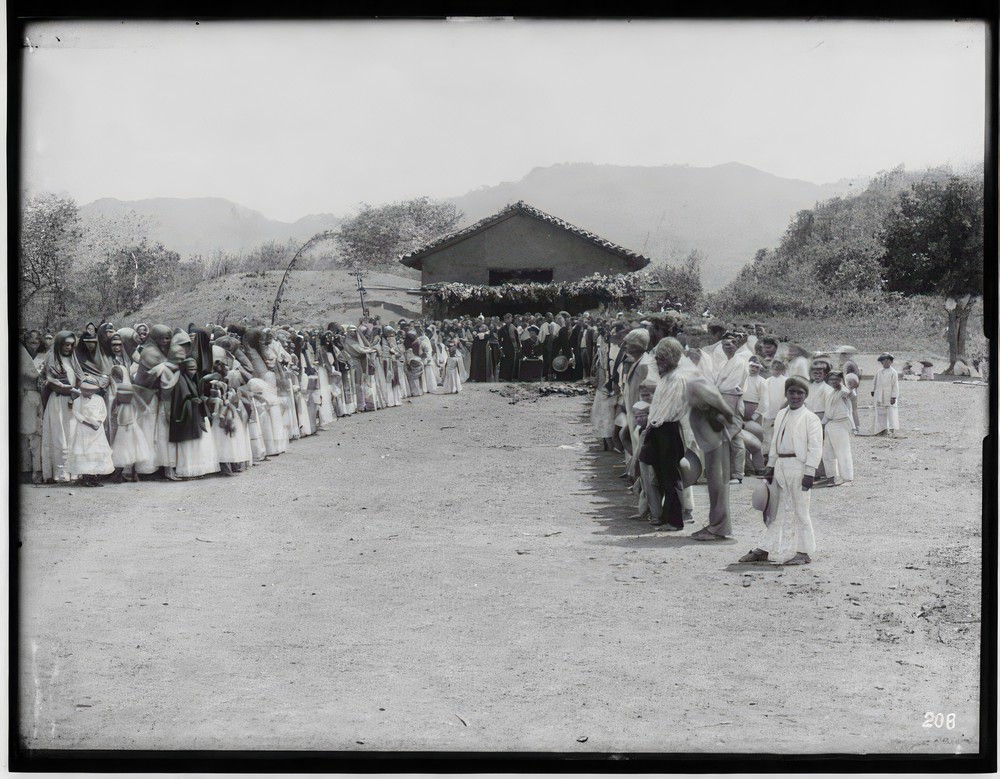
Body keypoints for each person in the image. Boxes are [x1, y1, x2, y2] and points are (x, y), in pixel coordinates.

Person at [739, 376, 823, 565]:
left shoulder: (811, 418)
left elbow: (816, 447)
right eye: (791, 392)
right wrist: (770, 466)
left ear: (805, 395)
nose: (795, 396)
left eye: (799, 393)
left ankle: (804, 551)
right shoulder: (781, 414)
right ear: (786, 393)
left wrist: (810, 471)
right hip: (781, 467)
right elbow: (776, 442)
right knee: (776, 509)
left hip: (799, 467)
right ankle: (765, 548)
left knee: (801, 509)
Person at [41, 331, 83, 483]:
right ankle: (61, 472)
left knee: (72, 434)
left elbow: (79, 377)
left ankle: (74, 471)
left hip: (72, 400)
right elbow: (52, 382)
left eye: (71, 345)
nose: (68, 347)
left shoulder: (72, 358)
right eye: (65, 344)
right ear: (59, 344)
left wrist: (80, 388)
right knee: (59, 436)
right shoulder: (52, 357)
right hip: (58, 401)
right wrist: (70, 390)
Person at [68, 379, 115, 487]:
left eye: (90, 391)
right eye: (84, 390)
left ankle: (94, 478)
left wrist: (98, 422)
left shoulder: (99, 399)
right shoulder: (77, 401)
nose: (86, 393)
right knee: (85, 452)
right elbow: (77, 414)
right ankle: (86, 478)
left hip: (97, 430)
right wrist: (88, 423)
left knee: (96, 451)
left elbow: (103, 412)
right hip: (84, 429)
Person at [822, 371, 854, 486]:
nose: (834, 382)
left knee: (842, 452)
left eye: (837, 379)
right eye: (832, 380)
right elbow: (827, 411)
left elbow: (850, 394)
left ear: (840, 380)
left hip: (841, 423)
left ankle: (847, 478)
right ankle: (832, 477)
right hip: (830, 424)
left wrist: (844, 385)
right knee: (827, 453)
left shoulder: (843, 391)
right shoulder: (830, 393)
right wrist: (822, 424)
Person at [872, 352, 900, 436]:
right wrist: (873, 391)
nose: (886, 362)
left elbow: (895, 385)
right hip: (879, 394)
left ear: (891, 362)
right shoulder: (879, 372)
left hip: (889, 394)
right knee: (880, 411)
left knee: (891, 412)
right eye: (884, 360)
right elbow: (874, 382)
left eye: (888, 360)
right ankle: (881, 429)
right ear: (881, 362)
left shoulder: (893, 372)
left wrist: (894, 396)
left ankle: (891, 429)